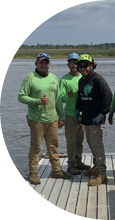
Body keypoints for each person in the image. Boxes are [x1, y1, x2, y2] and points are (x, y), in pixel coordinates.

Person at [18, 53, 71, 185]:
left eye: (46, 63)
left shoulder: (53, 77)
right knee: (36, 147)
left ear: (49, 64)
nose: (43, 65)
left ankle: (56, 171)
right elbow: (21, 96)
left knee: (53, 146)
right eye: (41, 62)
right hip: (36, 119)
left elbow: (58, 99)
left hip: (52, 119)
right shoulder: (30, 78)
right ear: (36, 64)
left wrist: (61, 116)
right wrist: (37, 101)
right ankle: (33, 173)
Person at [75, 54, 112, 186]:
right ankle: (96, 167)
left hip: (96, 120)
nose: (83, 68)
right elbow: (80, 97)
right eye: (80, 66)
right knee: (91, 145)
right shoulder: (81, 81)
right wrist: (77, 110)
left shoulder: (98, 79)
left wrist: (103, 113)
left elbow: (108, 96)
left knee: (97, 146)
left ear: (92, 66)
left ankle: (102, 174)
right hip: (86, 119)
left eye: (85, 65)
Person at [59, 53, 90, 175]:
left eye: (75, 62)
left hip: (83, 114)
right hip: (71, 115)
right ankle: (71, 165)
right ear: (68, 65)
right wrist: (68, 96)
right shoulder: (64, 79)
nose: (73, 65)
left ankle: (78, 161)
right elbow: (60, 98)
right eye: (71, 63)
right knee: (71, 141)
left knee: (80, 140)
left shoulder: (84, 77)